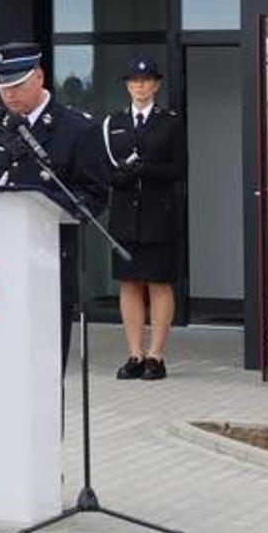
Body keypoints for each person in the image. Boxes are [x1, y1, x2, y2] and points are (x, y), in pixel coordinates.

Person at [0, 42, 111, 366]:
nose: (10, 95)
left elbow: (95, 195)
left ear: (39, 77)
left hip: (47, 260)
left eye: (17, 85)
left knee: (42, 364)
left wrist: (47, 207)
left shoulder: (78, 128)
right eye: (2, 87)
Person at [102, 57, 185, 381]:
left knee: (159, 282)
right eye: (135, 80)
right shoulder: (114, 121)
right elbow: (106, 168)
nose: (140, 85)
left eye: (147, 80)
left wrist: (144, 168)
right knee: (129, 282)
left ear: (156, 85)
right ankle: (135, 354)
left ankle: (156, 356)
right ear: (127, 85)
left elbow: (179, 169)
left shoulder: (170, 122)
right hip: (124, 214)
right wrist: (121, 175)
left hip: (158, 214)